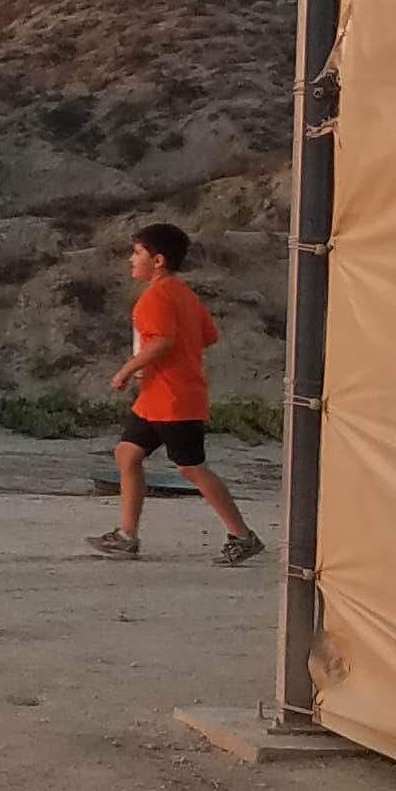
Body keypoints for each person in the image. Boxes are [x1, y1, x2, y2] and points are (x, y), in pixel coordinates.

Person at [90, 220, 264, 565]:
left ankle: (242, 536)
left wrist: (127, 369)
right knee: (127, 454)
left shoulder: (155, 297)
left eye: (137, 252)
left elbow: (163, 342)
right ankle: (126, 536)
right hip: (157, 398)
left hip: (174, 399)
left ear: (158, 260)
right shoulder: (184, 293)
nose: (131, 259)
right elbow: (208, 335)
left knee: (191, 468)